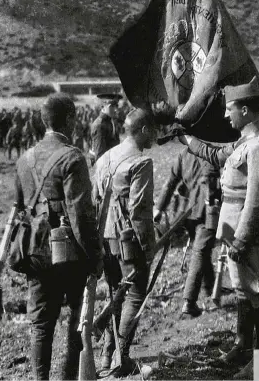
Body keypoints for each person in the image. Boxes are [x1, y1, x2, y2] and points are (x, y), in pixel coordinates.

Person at [178, 76, 259, 378]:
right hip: (232, 226)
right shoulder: (245, 142)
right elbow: (217, 155)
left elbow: (257, 198)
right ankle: (244, 345)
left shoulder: (258, 146)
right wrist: (186, 139)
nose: (225, 115)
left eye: (230, 108)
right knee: (243, 290)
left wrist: (241, 240)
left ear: (245, 111)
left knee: (258, 292)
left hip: (247, 229)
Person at [14, 94, 103, 380]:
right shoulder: (72, 156)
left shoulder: (24, 159)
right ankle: (68, 378)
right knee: (76, 317)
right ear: (70, 120)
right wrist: (94, 255)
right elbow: (80, 214)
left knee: (41, 323)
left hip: (34, 251)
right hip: (67, 250)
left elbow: (19, 209)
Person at [92, 108, 158, 377]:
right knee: (135, 295)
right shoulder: (141, 162)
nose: (156, 135)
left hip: (105, 238)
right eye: (153, 130)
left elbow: (97, 199)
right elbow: (140, 210)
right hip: (128, 239)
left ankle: (108, 356)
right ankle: (122, 358)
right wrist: (148, 247)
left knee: (114, 295)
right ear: (143, 130)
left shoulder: (105, 157)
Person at [153, 147, 221, 317]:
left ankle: (210, 288)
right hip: (207, 210)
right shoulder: (213, 152)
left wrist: (159, 208)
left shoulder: (185, 154)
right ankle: (189, 301)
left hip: (189, 211)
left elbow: (170, 182)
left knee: (202, 250)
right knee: (201, 251)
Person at [89, 93, 122, 164]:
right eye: (112, 106)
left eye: (116, 106)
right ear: (103, 107)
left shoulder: (111, 120)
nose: (116, 110)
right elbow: (100, 156)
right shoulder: (100, 125)